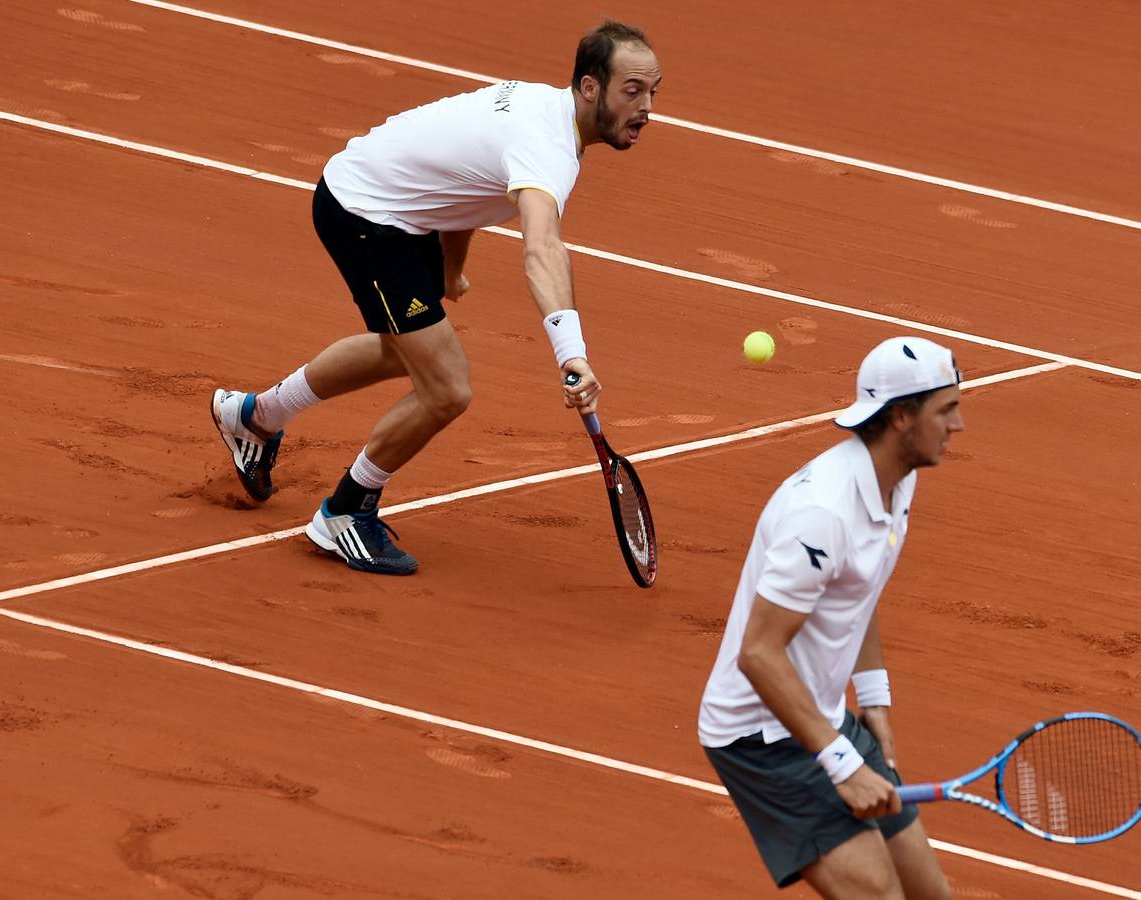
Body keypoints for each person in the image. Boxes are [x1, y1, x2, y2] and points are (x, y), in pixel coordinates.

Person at [208, 20, 661, 575]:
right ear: (590, 87)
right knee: (447, 387)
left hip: (396, 206)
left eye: (652, 92)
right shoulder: (547, 149)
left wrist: (452, 268)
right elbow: (542, 249)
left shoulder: (547, 112)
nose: (645, 108)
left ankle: (254, 417)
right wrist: (572, 354)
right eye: (632, 91)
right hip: (365, 214)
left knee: (402, 351)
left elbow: (464, 185)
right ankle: (345, 514)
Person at [698, 336, 964, 898]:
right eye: (946, 410)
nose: (958, 425)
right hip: (759, 736)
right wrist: (841, 763)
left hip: (818, 716)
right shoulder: (821, 515)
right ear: (900, 418)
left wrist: (873, 699)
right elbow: (758, 653)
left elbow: (858, 592)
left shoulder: (898, 479)